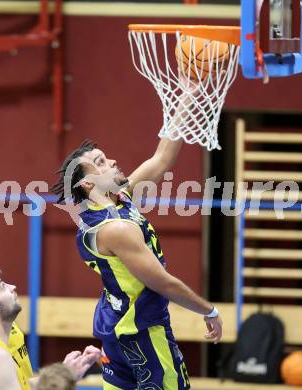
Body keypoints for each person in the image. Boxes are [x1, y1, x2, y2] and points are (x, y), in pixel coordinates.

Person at [51, 90, 223, 389]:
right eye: (102, 162)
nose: (113, 161)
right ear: (89, 183)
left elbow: (162, 157)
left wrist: (187, 95)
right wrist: (209, 310)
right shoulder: (114, 229)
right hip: (142, 330)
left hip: (117, 329)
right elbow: (163, 283)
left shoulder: (117, 201)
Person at [0, 266, 101, 390]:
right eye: (2, 286)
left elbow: (20, 384)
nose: (12, 286)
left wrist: (64, 373)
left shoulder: (12, 331)